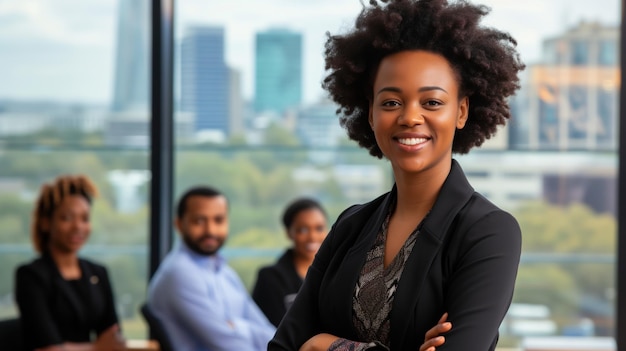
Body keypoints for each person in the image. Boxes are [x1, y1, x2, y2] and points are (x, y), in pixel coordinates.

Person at [268, 0, 524, 349]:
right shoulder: (350, 225)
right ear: (370, 113)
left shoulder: (488, 232)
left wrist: (326, 344)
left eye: (431, 102)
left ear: (461, 111)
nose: (409, 117)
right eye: (391, 102)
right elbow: (283, 346)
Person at [147, 186, 275, 351]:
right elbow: (230, 345)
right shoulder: (179, 273)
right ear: (179, 224)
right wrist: (245, 329)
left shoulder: (224, 272)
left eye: (218, 220)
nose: (210, 230)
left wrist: (237, 327)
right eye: (199, 221)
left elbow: (270, 334)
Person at [15, 174, 126, 351]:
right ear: (45, 223)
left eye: (85, 219)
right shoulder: (31, 276)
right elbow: (48, 348)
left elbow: (112, 337)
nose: (78, 227)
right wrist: (96, 348)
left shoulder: (98, 273)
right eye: (67, 218)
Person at [252, 197, 329, 326]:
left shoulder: (337, 273)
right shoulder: (270, 278)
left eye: (319, 228)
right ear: (289, 233)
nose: (312, 236)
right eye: (303, 230)